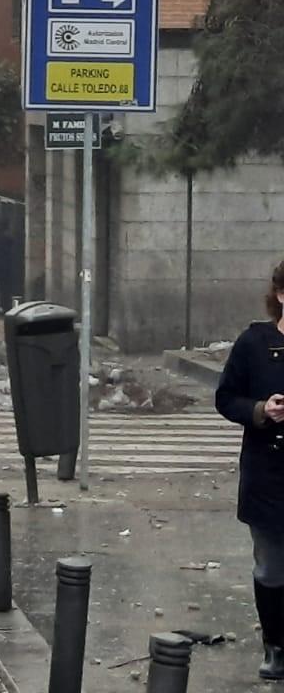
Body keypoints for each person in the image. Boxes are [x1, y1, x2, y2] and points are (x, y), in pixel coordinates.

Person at [215, 260, 284, 681]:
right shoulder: (254, 343)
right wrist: (262, 410)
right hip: (269, 475)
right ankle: (275, 646)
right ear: (280, 294)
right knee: (273, 566)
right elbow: (225, 398)